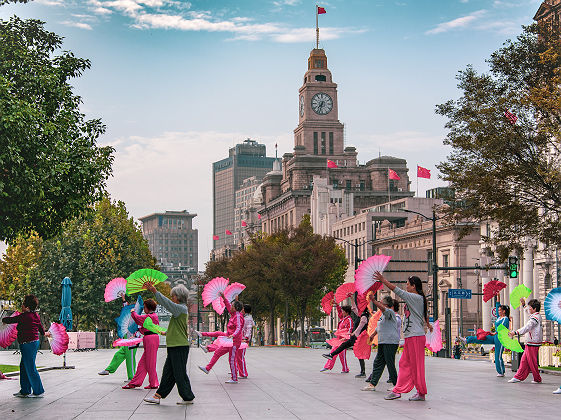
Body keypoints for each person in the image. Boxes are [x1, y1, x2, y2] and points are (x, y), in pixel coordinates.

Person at [375, 273, 432, 401]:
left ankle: (419, 392)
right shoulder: (417, 298)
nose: (406, 286)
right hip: (411, 336)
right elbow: (424, 313)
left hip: (416, 336)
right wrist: (428, 324)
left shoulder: (415, 297)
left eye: (408, 284)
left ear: (413, 286)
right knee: (404, 363)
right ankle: (399, 389)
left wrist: (383, 280)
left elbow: (396, 290)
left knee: (416, 366)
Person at [143, 283, 195, 405]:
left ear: (178, 296)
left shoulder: (180, 308)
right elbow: (177, 327)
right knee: (169, 373)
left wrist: (155, 291)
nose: (172, 298)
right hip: (175, 345)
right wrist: (166, 332)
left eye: (173, 296)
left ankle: (187, 397)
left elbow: (166, 303)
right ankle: (158, 396)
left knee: (179, 373)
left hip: (179, 346)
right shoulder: (180, 309)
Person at [2, 295, 50, 398]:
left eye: (23, 305)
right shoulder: (35, 315)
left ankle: (38, 391)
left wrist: (4, 319)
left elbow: (10, 320)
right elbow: (40, 327)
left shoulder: (24, 316)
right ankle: (25, 390)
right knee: (24, 366)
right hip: (33, 343)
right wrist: (43, 333)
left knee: (30, 367)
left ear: (27, 307)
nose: (21, 306)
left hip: (27, 344)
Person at [197, 294, 245, 384]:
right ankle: (207, 368)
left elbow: (239, 328)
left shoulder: (237, 316)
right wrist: (224, 298)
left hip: (234, 341)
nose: (230, 307)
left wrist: (233, 335)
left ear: (235, 308)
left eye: (232, 306)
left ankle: (234, 378)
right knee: (218, 352)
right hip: (229, 340)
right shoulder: (234, 314)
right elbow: (228, 305)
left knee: (231, 359)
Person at [459, 305, 510, 376]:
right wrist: (497, 296)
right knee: (482, 337)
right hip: (495, 336)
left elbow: (502, 328)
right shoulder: (499, 318)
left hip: (501, 338)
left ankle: (501, 372)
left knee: (497, 355)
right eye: (498, 310)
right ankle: (467, 340)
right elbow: (497, 305)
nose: (498, 311)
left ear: (504, 311)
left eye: (500, 310)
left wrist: (495, 332)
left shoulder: (505, 319)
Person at [362, 295, 400, 392]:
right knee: (378, 362)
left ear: (386, 304)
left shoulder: (390, 313)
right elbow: (379, 327)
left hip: (390, 342)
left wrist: (374, 301)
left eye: (381, 302)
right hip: (383, 341)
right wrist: (372, 335)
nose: (380, 304)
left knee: (389, 363)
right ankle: (373, 383)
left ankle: (397, 385)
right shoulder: (382, 315)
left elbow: (384, 309)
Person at [123, 298, 161, 389]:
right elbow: (144, 327)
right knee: (143, 363)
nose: (144, 309)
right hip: (151, 338)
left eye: (144, 307)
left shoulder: (150, 316)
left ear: (148, 307)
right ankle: (135, 382)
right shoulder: (153, 316)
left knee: (150, 363)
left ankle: (153, 383)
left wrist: (133, 311)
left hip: (151, 339)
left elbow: (137, 318)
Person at [99, 294, 138, 380]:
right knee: (118, 355)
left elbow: (139, 328)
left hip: (132, 341)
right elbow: (125, 308)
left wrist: (135, 336)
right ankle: (109, 370)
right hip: (125, 340)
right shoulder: (128, 316)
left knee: (130, 359)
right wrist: (123, 298)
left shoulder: (137, 317)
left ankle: (132, 378)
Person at [508, 298, 543, 384]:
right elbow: (527, 312)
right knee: (524, 361)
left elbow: (527, 327)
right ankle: (518, 376)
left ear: (534, 309)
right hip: (531, 342)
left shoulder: (534, 318)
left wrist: (515, 332)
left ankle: (537, 378)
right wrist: (524, 305)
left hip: (532, 343)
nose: (529, 309)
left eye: (530, 307)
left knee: (532, 362)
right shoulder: (535, 316)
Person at [320, 302, 353, 373]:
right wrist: (337, 305)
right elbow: (339, 312)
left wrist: (346, 338)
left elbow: (350, 329)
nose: (342, 312)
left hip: (344, 340)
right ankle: (343, 368)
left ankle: (341, 368)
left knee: (339, 354)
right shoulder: (343, 319)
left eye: (343, 311)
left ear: (347, 312)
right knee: (338, 353)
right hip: (339, 339)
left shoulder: (349, 320)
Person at [237, 303, 255, 378]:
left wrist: (246, 338)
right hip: (241, 338)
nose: (241, 310)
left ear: (244, 310)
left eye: (243, 308)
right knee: (239, 356)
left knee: (240, 356)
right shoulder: (245, 317)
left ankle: (243, 373)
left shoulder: (248, 319)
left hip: (244, 339)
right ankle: (239, 370)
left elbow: (249, 329)